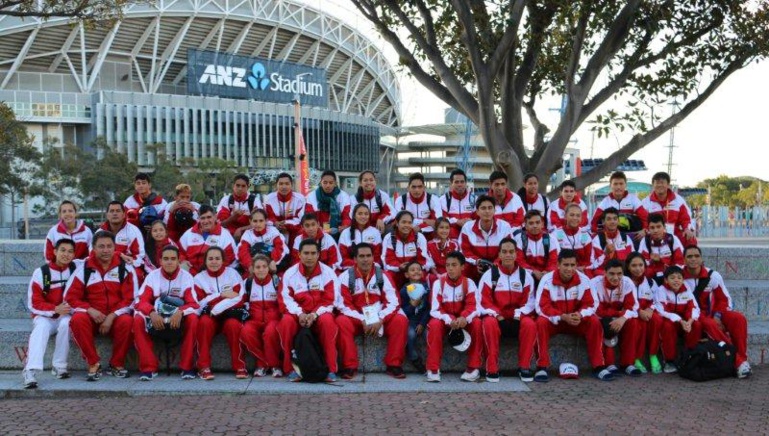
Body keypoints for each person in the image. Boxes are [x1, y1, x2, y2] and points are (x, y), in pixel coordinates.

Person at [65, 231, 137, 381]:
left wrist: (112, 316)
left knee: (128, 321)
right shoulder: (83, 268)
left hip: (115, 317)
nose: (105, 250)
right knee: (77, 319)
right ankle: (93, 363)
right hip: (92, 318)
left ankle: (116, 364)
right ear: (94, 249)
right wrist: (89, 310)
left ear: (115, 247)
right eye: (101, 246)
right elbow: (70, 297)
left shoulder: (126, 268)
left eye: (109, 246)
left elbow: (131, 299)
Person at [535, 249, 613, 382]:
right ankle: (542, 367)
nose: (569, 269)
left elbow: (592, 303)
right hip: (556, 321)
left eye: (572, 265)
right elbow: (542, 306)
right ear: (558, 265)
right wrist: (562, 316)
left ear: (576, 265)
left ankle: (598, 366)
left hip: (577, 321)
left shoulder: (584, 280)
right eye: (566, 265)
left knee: (594, 322)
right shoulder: (546, 280)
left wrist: (580, 315)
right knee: (540, 322)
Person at [336, 243, 409, 379]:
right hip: (358, 318)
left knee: (401, 320)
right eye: (362, 256)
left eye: (368, 256)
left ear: (373, 258)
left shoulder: (383, 275)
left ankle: (394, 364)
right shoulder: (345, 277)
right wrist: (362, 320)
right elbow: (344, 306)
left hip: (380, 317)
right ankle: (349, 366)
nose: (365, 260)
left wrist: (380, 319)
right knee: (341, 321)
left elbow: (393, 302)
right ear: (355, 259)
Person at [683, 245, 751, 378]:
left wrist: (718, 315)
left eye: (696, 256)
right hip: (694, 315)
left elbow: (724, 300)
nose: (693, 259)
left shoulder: (713, 275)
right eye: (689, 256)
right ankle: (738, 362)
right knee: (709, 324)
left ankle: (742, 359)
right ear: (684, 260)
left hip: (714, 313)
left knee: (739, 319)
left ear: (702, 259)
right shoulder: (679, 276)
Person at [277, 239, 340, 382]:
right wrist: (300, 313)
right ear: (299, 254)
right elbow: (285, 299)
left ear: (319, 255)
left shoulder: (328, 273)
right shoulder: (290, 274)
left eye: (313, 253)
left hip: (319, 314)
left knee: (328, 321)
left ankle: (330, 369)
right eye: (306, 253)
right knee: (286, 322)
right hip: (297, 315)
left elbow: (332, 300)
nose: (309, 257)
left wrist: (314, 314)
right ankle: (290, 369)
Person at [133, 245, 199, 380]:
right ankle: (149, 368)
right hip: (156, 316)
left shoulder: (186, 277)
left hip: (178, 317)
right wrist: (151, 312)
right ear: (160, 261)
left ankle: (187, 367)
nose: (169, 262)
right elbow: (140, 301)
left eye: (173, 259)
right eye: (166, 259)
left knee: (193, 318)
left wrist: (180, 312)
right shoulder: (152, 276)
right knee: (137, 319)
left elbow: (193, 303)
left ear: (178, 261)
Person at [477, 237, 537, 383]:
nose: (508, 255)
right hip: (497, 318)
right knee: (489, 323)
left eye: (511, 251)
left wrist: (518, 315)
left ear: (516, 254)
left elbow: (530, 302)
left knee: (530, 324)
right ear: (499, 255)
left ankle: (524, 367)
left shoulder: (525, 275)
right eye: (505, 252)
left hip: (518, 317)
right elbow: (483, 301)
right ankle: (491, 368)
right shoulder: (490, 274)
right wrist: (498, 315)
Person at [23, 239, 77, 389]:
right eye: (63, 250)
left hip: (65, 315)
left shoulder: (76, 268)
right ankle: (30, 370)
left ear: (74, 255)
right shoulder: (41, 272)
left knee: (67, 323)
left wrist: (121, 255)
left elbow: (95, 258)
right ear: (55, 251)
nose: (66, 254)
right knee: (40, 328)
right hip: (45, 316)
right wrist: (54, 309)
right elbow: (34, 303)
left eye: (70, 251)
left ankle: (59, 366)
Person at [425, 251, 483, 382]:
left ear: (463, 267)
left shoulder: (469, 283)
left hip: (463, 321)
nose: (450, 268)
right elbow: (435, 309)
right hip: (445, 321)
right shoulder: (438, 283)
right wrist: (449, 319)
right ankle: (433, 368)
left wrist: (464, 318)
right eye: (447, 265)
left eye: (454, 265)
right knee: (434, 324)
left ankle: (473, 368)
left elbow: (474, 307)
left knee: (477, 323)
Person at [194, 246, 247, 380]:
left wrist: (216, 306)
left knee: (234, 325)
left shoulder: (232, 274)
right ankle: (204, 366)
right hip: (209, 317)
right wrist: (222, 295)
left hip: (229, 315)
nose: (214, 262)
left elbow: (240, 298)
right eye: (210, 259)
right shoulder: (199, 278)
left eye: (217, 258)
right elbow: (199, 304)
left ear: (223, 260)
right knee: (204, 323)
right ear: (205, 261)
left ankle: (240, 366)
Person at [592, 259, 642, 376]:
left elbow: (633, 307)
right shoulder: (594, 283)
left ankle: (627, 363)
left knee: (633, 323)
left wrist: (623, 318)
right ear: (604, 273)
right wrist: (619, 314)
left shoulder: (627, 282)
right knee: (606, 324)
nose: (616, 277)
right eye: (612, 274)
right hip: (602, 317)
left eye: (619, 274)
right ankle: (608, 363)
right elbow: (596, 309)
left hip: (619, 317)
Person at [240, 255, 283, 378]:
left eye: (264, 266)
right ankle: (262, 363)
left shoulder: (276, 281)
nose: (261, 270)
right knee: (246, 331)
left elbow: (283, 300)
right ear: (252, 269)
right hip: (254, 320)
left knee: (270, 332)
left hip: (273, 319)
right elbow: (241, 300)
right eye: (257, 267)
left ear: (269, 268)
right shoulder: (248, 283)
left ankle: (275, 365)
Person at [655, 266, 703, 374]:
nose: (676, 280)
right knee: (667, 326)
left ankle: (689, 357)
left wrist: (690, 321)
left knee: (697, 325)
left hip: (685, 322)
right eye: (672, 278)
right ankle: (669, 361)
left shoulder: (686, 289)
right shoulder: (661, 290)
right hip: (671, 321)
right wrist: (680, 321)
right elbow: (661, 310)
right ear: (666, 280)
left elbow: (694, 307)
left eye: (679, 278)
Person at [624, 252, 664, 374]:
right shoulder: (624, 281)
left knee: (657, 320)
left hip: (647, 313)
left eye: (641, 265)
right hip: (631, 314)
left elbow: (658, 300)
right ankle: (636, 357)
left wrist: (651, 309)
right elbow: (623, 303)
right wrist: (639, 311)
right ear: (628, 267)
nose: (638, 269)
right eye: (634, 265)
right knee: (637, 324)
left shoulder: (651, 282)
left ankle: (653, 355)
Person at [459, 195, 513, 281]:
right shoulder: (467, 227)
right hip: (474, 268)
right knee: (463, 267)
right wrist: (477, 261)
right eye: (483, 208)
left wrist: (494, 265)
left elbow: (508, 250)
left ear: (494, 210)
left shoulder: (505, 227)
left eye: (490, 208)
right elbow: (464, 251)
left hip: (498, 268)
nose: (487, 211)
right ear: (477, 211)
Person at [640, 171, 697, 245]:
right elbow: (643, 220)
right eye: (657, 183)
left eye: (662, 182)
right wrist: (645, 230)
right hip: (654, 233)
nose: (660, 185)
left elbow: (686, 218)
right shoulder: (645, 202)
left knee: (690, 238)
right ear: (653, 185)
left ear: (668, 185)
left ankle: (689, 256)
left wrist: (687, 229)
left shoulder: (678, 200)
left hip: (674, 232)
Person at [382, 210, 434, 291]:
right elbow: (387, 261)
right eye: (404, 222)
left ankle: (422, 301)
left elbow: (425, 260)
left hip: (416, 271)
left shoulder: (419, 237)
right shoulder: (389, 238)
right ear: (396, 223)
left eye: (409, 223)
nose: (407, 225)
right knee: (387, 276)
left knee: (431, 278)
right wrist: (399, 267)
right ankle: (395, 301)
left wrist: (412, 268)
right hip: (398, 272)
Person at [178, 204, 237, 275]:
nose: (206, 221)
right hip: (191, 271)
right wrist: (183, 260)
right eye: (203, 218)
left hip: (214, 272)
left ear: (215, 217)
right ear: (198, 219)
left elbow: (230, 259)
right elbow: (179, 252)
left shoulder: (225, 235)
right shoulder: (189, 233)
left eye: (209, 217)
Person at [590, 171, 647, 239]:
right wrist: (600, 235)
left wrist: (644, 230)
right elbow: (593, 223)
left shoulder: (633, 199)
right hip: (610, 239)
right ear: (610, 186)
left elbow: (646, 218)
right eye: (615, 184)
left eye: (621, 184)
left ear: (625, 185)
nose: (618, 187)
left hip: (631, 237)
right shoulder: (605, 202)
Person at [400, 261, 431, 374]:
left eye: (418, 269)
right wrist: (412, 306)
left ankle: (431, 361)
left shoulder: (426, 289)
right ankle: (413, 357)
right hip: (410, 321)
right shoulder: (404, 291)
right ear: (406, 275)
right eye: (412, 270)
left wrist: (422, 324)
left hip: (423, 320)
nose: (416, 271)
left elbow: (428, 308)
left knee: (429, 334)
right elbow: (402, 311)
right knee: (410, 334)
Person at [237, 209, 288, 276]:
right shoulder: (247, 234)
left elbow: (280, 248)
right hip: (255, 265)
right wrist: (249, 265)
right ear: (250, 221)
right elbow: (242, 252)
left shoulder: (273, 231)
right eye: (255, 221)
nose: (258, 224)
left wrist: (273, 260)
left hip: (273, 264)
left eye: (261, 221)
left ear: (266, 221)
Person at [513, 210, 560, 284]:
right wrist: (533, 272)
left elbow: (554, 261)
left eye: (537, 222)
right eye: (531, 223)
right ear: (525, 226)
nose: (535, 226)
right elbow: (519, 261)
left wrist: (546, 272)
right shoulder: (520, 239)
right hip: (526, 276)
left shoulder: (551, 239)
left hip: (546, 276)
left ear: (542, 224)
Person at [98, 201, 146, 272]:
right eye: (111, 211)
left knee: (138, 274)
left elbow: (140, 256)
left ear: (124, 214)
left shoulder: (134, 231)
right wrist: (119, 255)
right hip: (105, 268)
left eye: (118, 211)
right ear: (107, 215)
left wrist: (126, 265)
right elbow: (93, 253)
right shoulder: (99, 233)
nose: (114, 213)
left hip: (127, 268)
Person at [638, 213, 685, 283]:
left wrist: (661, 261)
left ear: (664, 227)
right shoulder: (645, 241)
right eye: (652, 227)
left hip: (670, 277)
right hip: (651, 278)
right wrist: (651, 261)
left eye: (658, 227)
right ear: (648, 229)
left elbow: (680, 262)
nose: (655, 230)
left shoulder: (672, 239)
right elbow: (641, 264)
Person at [304, 170, 352, 238]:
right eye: (325, 182)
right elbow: (309, 216)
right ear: (321, 183)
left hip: (338, 233)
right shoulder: (311, 196)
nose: (328, 185)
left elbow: (346, 216)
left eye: (331, 183)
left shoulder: (343, 196)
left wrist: (344, 226)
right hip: (317, 233)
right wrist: (316, 227)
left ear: (335, 183)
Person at [589, 207, 634, 277]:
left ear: (618, 221)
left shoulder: (625, 238)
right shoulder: (597, 239)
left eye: (615, 219)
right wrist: (606, 254)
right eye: (609, 219)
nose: (612, 222)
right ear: (603, 222)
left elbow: (632, 260)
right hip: (605, 274)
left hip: (623, 274)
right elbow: (594, 265)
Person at [264, 172, 306, 244]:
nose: (284, 187)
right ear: (276, 185)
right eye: (281, 184)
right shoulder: (269, 199)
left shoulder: (300, 198)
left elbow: (300, 219)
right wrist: (275, 223)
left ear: (291, 185)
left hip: (293, 232)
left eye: (287, 184)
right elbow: (267, 217)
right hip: (274, 231)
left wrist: (286, 224)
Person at [217, 174, 262, 239]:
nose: (240, 189)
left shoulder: (254, 200)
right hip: (229, 236)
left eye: (243, 186)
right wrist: (233, 217)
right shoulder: (226, 200)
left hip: (250, 236)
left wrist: (241, 229)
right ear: (233, 186)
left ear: (248, 187)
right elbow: (222, 224)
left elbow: (259, 223)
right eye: (237, 185)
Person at [338, 203, 382, 270]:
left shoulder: (375, 232)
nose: (363, 216)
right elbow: (343, 258)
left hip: (372, 270)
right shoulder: (345, 233)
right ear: (354, 216)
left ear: (369, 216)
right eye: (360, 213)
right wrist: (359, 266)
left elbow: (377, 257)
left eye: (366, 214)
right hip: (351, 270)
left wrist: (368, 267)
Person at [552, 204, 593, 274]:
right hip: (561, 271)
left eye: (578, 215)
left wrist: (581, 268)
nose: (575, 218)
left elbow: (589, 260)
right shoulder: (556, 234)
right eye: (572, 215)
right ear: (565, 216)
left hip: (581, 271)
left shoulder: (584, 235)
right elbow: (554, 259)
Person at [440, 169, 476, 239]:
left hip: (470, 238)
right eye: (456, 182)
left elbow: (479, 220)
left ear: (466, 183)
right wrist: (456, 221)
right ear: (451, 183)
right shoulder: (444, 200)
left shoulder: (474, 199)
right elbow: (442, 221)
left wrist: (470, 222)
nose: (459, 184)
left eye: (462, 182)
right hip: (451, 239)